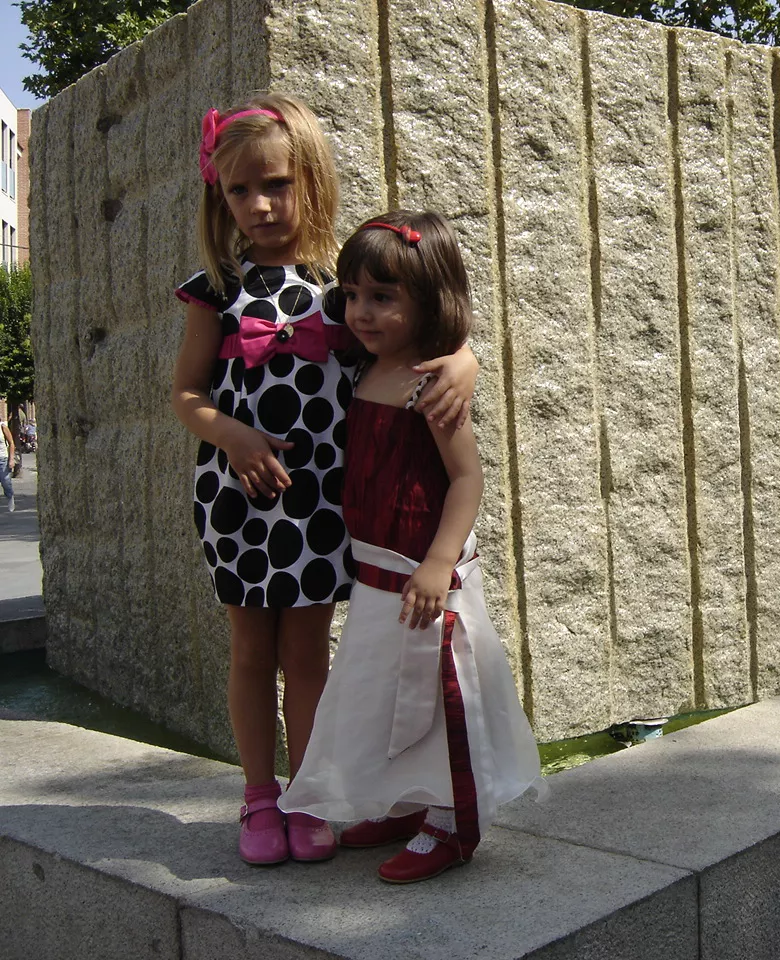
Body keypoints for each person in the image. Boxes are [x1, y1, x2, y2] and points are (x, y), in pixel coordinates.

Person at [169, 95, 479, 866]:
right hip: (237, 499)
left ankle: (307, 794)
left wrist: (466, 360)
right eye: (240, 190)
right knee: (250, 649)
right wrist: (232, 434)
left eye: (276, 184)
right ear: (220, 196)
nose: (259, 205)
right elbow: (186, 394)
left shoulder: (341, 289)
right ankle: (257, 794)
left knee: (307, 652)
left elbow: (421, 330)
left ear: (310, 178)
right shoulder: (214, 289)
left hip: (316, 504)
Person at [279, 212, 542, 883]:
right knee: (380, 694)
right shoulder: (364, 366)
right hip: (375, 575)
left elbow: (466, 478)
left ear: (427, 299)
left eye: (382, 297)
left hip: (423, 577)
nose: (361, 312)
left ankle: (452, 821)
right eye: (353, 295)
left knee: (437, 697)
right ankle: (406, 801)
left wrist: (439, 563)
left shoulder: (431, 383)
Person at [0, 419, 14, 511]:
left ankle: (10, 496)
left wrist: (11, 459)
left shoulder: (2, 427)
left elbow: (11, 443)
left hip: (2, 459)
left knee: (5, 481)